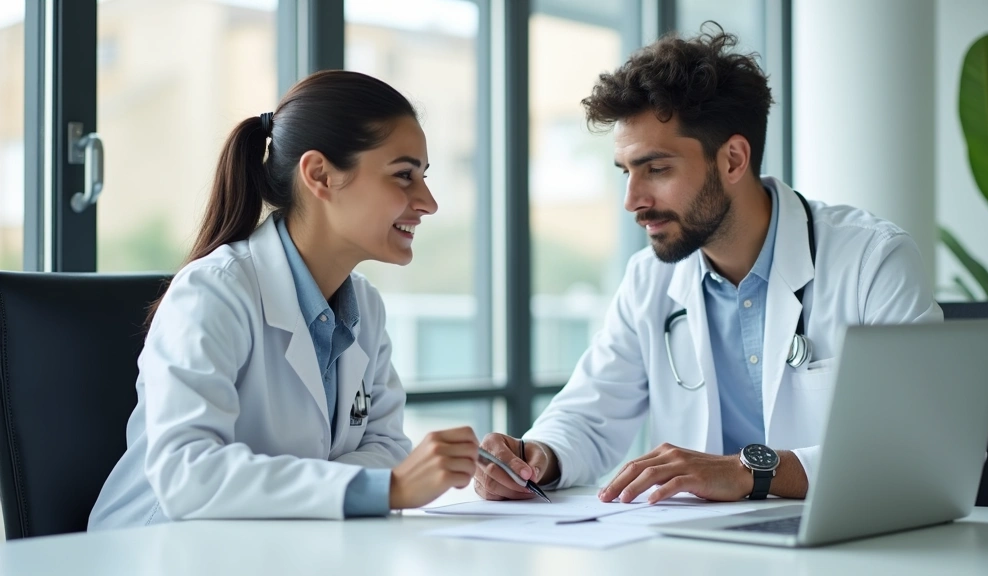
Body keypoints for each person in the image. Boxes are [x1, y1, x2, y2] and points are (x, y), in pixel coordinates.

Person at [474, 28, 942, 505]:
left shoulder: (872, 260)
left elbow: (923, 445)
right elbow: (590, 416)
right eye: (626, 172)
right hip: (705, 546)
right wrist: (532, 456)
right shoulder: (649, 279)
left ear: (733, 159)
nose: (632, 200)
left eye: (656, 169)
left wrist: (749, 472)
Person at [89, 70, 479, 530]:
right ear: (320, 175)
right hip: (155, 550)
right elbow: (187, 474)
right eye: (404, 175)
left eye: (423, 177)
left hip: (280, 547)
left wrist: (370, 483)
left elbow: (388, 446)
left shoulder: (365, 309)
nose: (428, 201)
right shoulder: (213, 292)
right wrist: (382, 487)